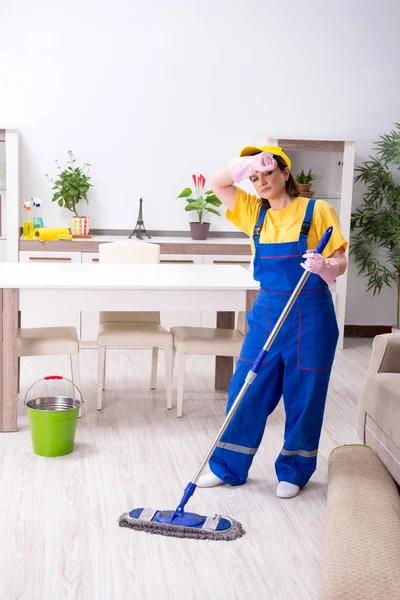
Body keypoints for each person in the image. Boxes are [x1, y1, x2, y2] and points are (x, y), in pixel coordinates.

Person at [197, 145, 348, 498]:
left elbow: (340, 258)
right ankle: (227, 467)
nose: (262, 181)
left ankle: (294, 471)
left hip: (310, 315)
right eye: (254, 177)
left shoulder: (317, 209)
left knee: (304, 395)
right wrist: (246, 164)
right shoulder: (253, 211)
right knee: (245, 390)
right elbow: (218, 184)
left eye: (268, 172)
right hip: (267, 313)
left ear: (285, 173)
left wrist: (327, 267)